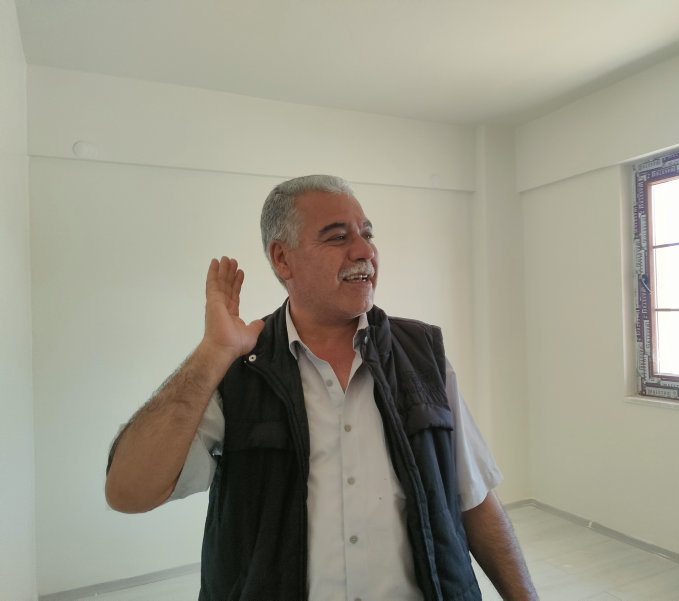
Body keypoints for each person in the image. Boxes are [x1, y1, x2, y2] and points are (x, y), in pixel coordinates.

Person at [105, 175, 538, 601]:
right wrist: (211, 355)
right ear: (282, 259)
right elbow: (128, 492)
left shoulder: (422, 354)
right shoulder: (239, 369)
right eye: (337, 237)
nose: (364, 251)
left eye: (367, 234)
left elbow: (474, 498)